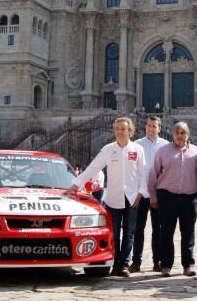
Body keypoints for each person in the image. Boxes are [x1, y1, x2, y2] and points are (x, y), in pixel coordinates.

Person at [71, 116, 147, 278]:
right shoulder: (108, 149)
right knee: (114, 233)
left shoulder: (137, 149)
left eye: (124, 129)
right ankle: (116, 262)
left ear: (130, 131)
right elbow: (93, 168)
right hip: (113, 198)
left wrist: (141, 194)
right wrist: (76, 184)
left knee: (129, 233)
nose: (120, 132)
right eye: (118, 129)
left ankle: (125, 264)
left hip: (132, 198)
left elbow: (143, 174)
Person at [148, 121, 197, 277]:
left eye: (183, 132)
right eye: (177, 132)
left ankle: (188, 264)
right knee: (166, 232)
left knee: (188, 232)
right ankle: (166, 265)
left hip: (190, 197)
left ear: (187, 135)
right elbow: (153, 175)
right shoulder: (163, 151)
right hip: (167, 197)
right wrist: (153, 197)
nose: (180, 135)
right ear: (173, 135)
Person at [130, 115, 169, 273]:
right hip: (141, 192)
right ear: (145, 127)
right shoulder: (136, 145)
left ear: (160, 128)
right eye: (149, 125)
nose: (151, 128)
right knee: (138, 228)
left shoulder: (166, 146)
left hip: (158, 193)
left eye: (154, 126)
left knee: (157, 229)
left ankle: (157, 260)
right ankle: (136, 261)